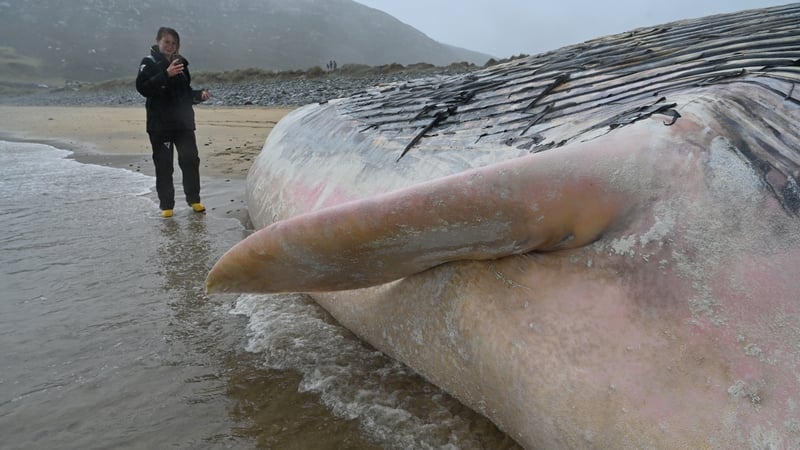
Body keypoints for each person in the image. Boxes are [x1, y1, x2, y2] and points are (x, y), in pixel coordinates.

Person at [136, 27, 211, 218]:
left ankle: (194, 200)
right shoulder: (148, 63)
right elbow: (143, 88)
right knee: (164, 165)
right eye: (166, 42)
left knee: (190, 161)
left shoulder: (182, 65)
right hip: (160, 126)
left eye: (174, 43)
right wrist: (165, 75)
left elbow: (185, 93)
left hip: (183, 124)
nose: (170, 46)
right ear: (158, 42)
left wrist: (199, 95)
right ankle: (167, 206)